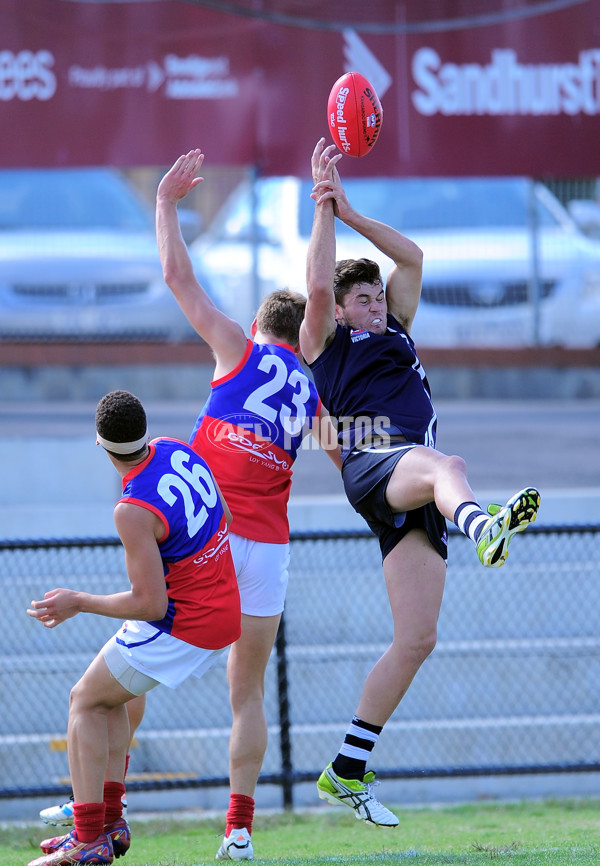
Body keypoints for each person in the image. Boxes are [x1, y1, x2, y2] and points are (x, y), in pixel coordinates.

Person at [300, 138, 541, 827]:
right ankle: (484, 524)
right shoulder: (329, 345)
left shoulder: (398, 329)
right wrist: (323, 209)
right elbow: (317, 288)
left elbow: (413, 258)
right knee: (450, 466)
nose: (375, 305)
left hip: (409, 483)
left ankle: (345, 769)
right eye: (363, 299)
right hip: (381, 458)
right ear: (342, 311)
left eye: (377, 297)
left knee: (417, 638)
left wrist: (353, 212)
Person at [155, 148, 341, 861]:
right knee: (248, 690)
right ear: (301, 340)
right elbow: (354, 458)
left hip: (207, 535)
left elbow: (178, 277)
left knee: (134, 649)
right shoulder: (312, 395)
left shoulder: (236, 347)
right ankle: (239, 829)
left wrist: (168, 204)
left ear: (261, 330)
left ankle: (105, 800)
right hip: (267, 548)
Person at [27, 390, 241, 866]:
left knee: (83, 700)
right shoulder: (177, 449)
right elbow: (224, 515)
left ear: (101, 446)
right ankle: (109, 821)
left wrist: (76, 601)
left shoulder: (130, 509)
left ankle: (88, 838)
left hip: (185, 621)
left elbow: (149, 603)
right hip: (222, 606)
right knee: (113, 697)